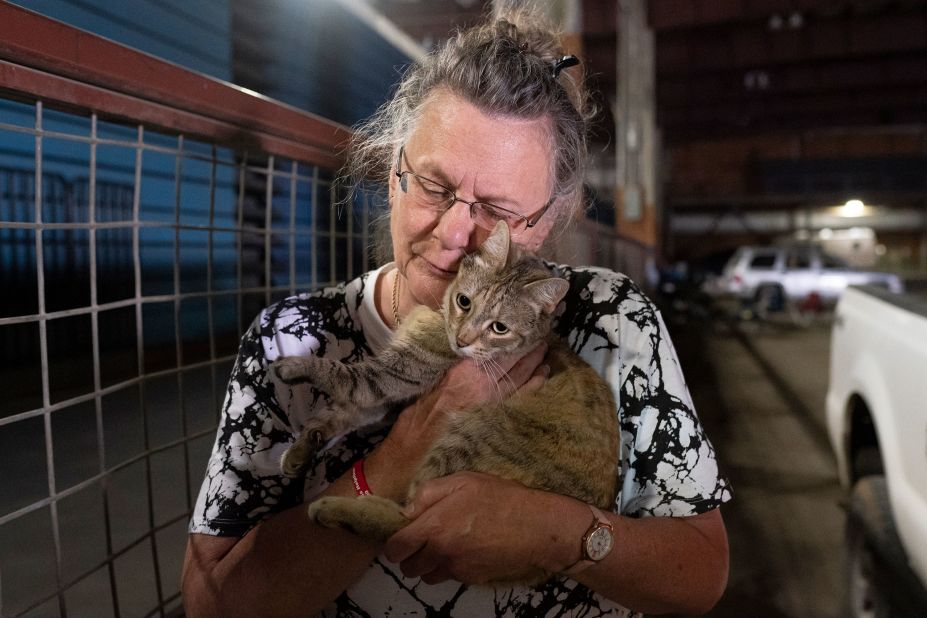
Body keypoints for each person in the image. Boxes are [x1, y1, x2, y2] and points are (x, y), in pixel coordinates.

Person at [182, 7, 731, 617]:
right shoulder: (290, 342)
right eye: (435, 187)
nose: (453, 234)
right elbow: (213, 604)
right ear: (393, 175)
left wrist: (558, 532)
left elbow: (702, 574)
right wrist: (394, 461)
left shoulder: (612, 319)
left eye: (498, 210)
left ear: (550, 219)